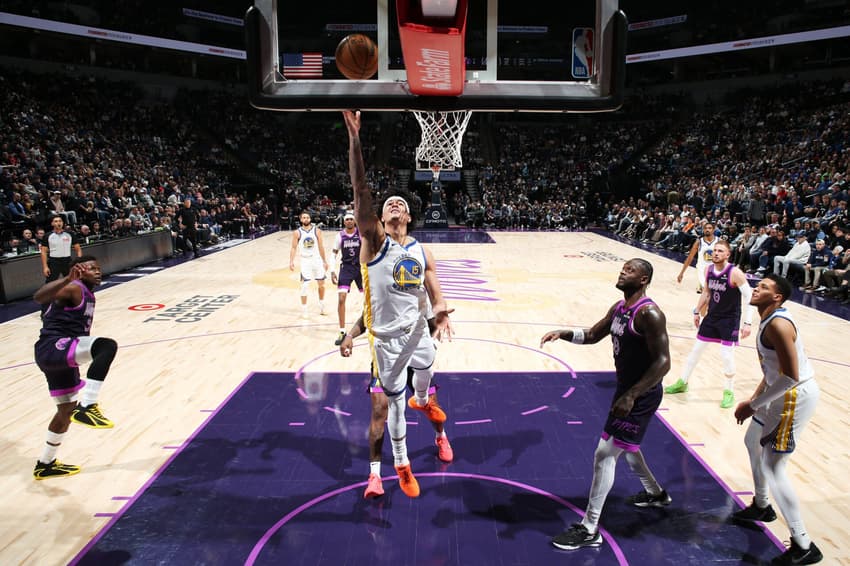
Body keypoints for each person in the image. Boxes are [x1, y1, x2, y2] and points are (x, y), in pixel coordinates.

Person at [343, 109, 452, 498]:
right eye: (387, 203)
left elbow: (434, 288)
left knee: (427, 380)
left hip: (417, 329)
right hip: (385, 341)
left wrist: (440, 311)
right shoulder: (374, 241)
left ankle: (427, 408)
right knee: (390, 408)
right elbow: (360, 194)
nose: (392, 205)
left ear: (408, 215)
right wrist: (355, 139)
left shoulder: (422, 249)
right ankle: (400, 466)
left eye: (398, 203)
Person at [541, 258, 672, 551]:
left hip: (641, 394)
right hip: (626, 391)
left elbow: (664, 363)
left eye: (631, 269)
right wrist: (564, 333)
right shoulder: (619, 308)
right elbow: (591, 335)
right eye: (623, 267)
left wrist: (632, 395)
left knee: (605, 454)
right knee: (627, 448)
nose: (623, 271)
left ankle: (589, 528)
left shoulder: (649, 313)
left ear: (643, 279)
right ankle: (655, 494)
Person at [732, 274, 822, 565]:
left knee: (773, 465)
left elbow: (791, 376)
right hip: (778, 391)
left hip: (793, 396)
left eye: (765, 287)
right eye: (757, 285)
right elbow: (773, 369)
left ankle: (803, 544)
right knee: (751, 441)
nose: (756, 288)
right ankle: (762, 506)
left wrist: (754, 404)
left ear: (777, 297)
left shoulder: (779, 325)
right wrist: (754, 400)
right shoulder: (769, 317)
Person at [340, 312, 453, 499]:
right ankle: (375, 476)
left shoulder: (413, 287)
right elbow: (366, 315)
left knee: (430, 403)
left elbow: (431, 319)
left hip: (414, 359)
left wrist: (437, 323)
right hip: (385, 361)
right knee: (378, 411)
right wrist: (350, 335)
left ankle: (441, 437)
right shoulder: (376, 289)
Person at [32, 256, 118, 480]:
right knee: (106, 346)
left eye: (98, 268)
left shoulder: (87, 291)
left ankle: (46, 463)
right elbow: (39, 297)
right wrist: (66, 280)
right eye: (91, 268)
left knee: (65, 410)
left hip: (58, 355)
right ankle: (88, 405)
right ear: (78, 271)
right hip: (55, 346)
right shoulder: (73, 287)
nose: (97, 272)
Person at [665, 239, 755, 408]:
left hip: (729, 320)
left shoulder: (735, 273)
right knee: (695, 351)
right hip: (712, 317)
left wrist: (748, 323)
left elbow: (750, 298)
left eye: (721, 251)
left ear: (728, 254)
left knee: (727, 357)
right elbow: (706, 292)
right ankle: (683, 382)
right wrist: (697, 310)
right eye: (715, 250)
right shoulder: (708, 270)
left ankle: (729, 392)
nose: (716, 253)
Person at [330, 212, 363, 345]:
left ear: (355, 221)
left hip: (360, 268)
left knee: (369, 298)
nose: (349, 221)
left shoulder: (360, 234)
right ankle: (342, 330)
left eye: (351, 219)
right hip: (346, 268)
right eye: (347, 219)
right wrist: (332, 271)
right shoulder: (340, 236)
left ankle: (371, 324)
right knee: (341, 298)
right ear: (344, 222)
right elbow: (333, 253)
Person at [289, 210, 329, 318]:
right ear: (300, 219)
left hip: (316, 259)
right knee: (305, 285)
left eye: (307, 217)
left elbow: (321, 247)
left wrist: (324, 260)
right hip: (305, 260)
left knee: (321, 284)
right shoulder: (297, 232)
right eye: (303, 218)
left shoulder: (317, 231)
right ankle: (305, 309)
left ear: (310, 219)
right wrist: (291, 261)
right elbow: (293, 247)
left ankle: (322, 306)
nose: (306, 219)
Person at [678, 221, 717, 293]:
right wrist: (682, 273)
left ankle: (700, 286)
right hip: (702, 270)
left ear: (713, 230)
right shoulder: (699, 242)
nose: (707, 230)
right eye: (705, 228)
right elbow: (690, 257)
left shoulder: (719, 241)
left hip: (714, 271)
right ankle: (700, 285)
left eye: (709, 228)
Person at [40, 215, 82, 283]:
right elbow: (43, 252)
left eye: (60, 221)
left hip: (67, 261)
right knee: (50, 283)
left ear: (62, 223)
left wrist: (79, 260)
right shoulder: (47, 235)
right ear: (52, 223)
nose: (58, 223)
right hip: (54, 262)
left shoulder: (70, 234)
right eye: (56, 221)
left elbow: (78, 248)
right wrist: (45, 267)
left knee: (73, 281)